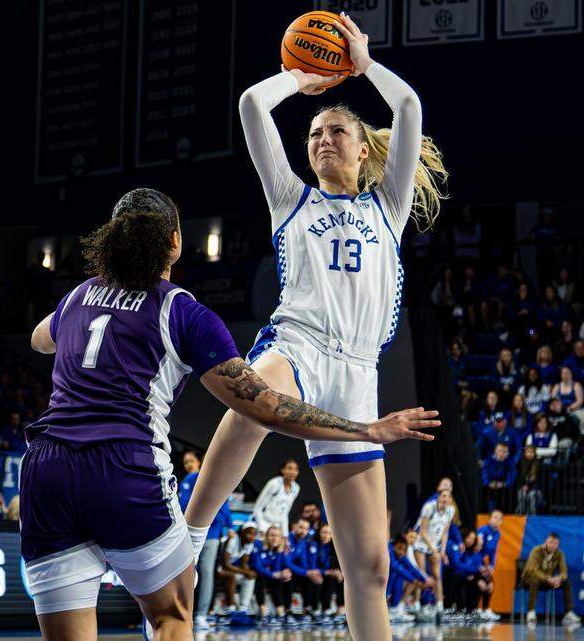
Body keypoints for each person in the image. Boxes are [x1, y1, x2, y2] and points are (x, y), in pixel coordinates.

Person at [21, 188, 436, 641]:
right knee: (172, 612)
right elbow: (267, 408)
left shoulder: (79, 298)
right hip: (123, 469)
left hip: (47, 473)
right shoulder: (180, 311)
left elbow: (41, 339)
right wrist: (366, 428)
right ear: (175, 243)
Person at [181, 13, 448, 641]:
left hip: (358, 374)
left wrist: (361, 62)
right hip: (297, 344)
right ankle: (187, 540)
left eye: (336, 131)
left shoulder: (390, 205)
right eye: (314, 134)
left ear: (362, 148)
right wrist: (297, 78)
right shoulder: (290, 198)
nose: (323, 139)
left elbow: (407, 104)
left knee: (371, 567)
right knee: (253, 399)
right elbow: (251, 103)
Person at [176, 450, 231, 629]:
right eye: (185, 463)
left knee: (206, 573)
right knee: (185, 574)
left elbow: (224, 505)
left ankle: (201, 615)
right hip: (189, 534)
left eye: (191, 461)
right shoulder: (186, 481)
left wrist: (226, 526)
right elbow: (183, 506)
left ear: (199, 461)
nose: (188, 465)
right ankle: (183, 615)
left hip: (212, 535)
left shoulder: (213, 476)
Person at [521, 533, 581, 625]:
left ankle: (568, 613)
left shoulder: (559, 554)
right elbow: (533, 570)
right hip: (529, 579)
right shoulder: (537, 551)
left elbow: (564, 572)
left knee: (566, 582)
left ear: (558, 544)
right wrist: (548, 578)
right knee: (535, 581)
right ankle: (531, 612)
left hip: (549, 580)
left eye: (555, 543)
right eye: (551, 542)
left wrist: (559, 578)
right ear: (546, 542)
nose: (552, 545)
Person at [413, 489, 455, 617]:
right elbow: (423, 531)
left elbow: (445, 532)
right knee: (421, 573)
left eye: (447, 497)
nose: (444, 499)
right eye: (442, 496)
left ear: (450, 500)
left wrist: (442, 550)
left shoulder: (450, 511)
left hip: (435, 546)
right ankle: (416, 604)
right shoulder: (429, 508)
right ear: (438, 497)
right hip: (421, 543)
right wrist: (433, 550)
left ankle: (439, 606)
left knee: (437, 576)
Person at [251, 525, 293, 627]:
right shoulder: (258, 545)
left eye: (277, 536)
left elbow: (278, 568)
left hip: (271, 577)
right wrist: (274, 573)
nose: (275, 538)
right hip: (257, 576)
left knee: (283, 580)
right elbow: (257, 566)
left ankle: (281, 613)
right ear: (266, 536)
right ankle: (264, 613)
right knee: (260, 577)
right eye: (272, 535)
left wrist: (285, 573)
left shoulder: (280, 551)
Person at [218, 522, 258, 615]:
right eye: (249, 534)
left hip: (229, 568)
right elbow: (225, 564)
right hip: (218, 568)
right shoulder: (233, 540)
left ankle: (243, 608)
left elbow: (244, 563)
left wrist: (249, 572)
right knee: (232, 577)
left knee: (250, 578)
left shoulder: (250, 544)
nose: (252, 537)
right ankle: (230, 609)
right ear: (242, 532)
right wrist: (245, 571)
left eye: (254, 534)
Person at [251, 459, 300, 535]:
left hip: (277, 527)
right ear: (282, 470)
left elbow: (285, 513)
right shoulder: (274, 484)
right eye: (289, 468)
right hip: (263, 522)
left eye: (296, 469)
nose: (293, 472)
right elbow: (257, 508)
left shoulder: (296, 488)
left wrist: (285, 534)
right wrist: (262, 528)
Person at [517, 445, 544, 515]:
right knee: (523, 495)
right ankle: (520, 515)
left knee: (531, 496)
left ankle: (533, 516)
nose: (530, 454)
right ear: (524, 453)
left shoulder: (538, 464)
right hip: (522, 487)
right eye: (528, 452)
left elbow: (540, 480)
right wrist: (523, 485)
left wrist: (532, 487)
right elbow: (519, 478)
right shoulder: (520, 463)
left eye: (532, 452)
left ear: (535, 453)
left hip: (535, 488)